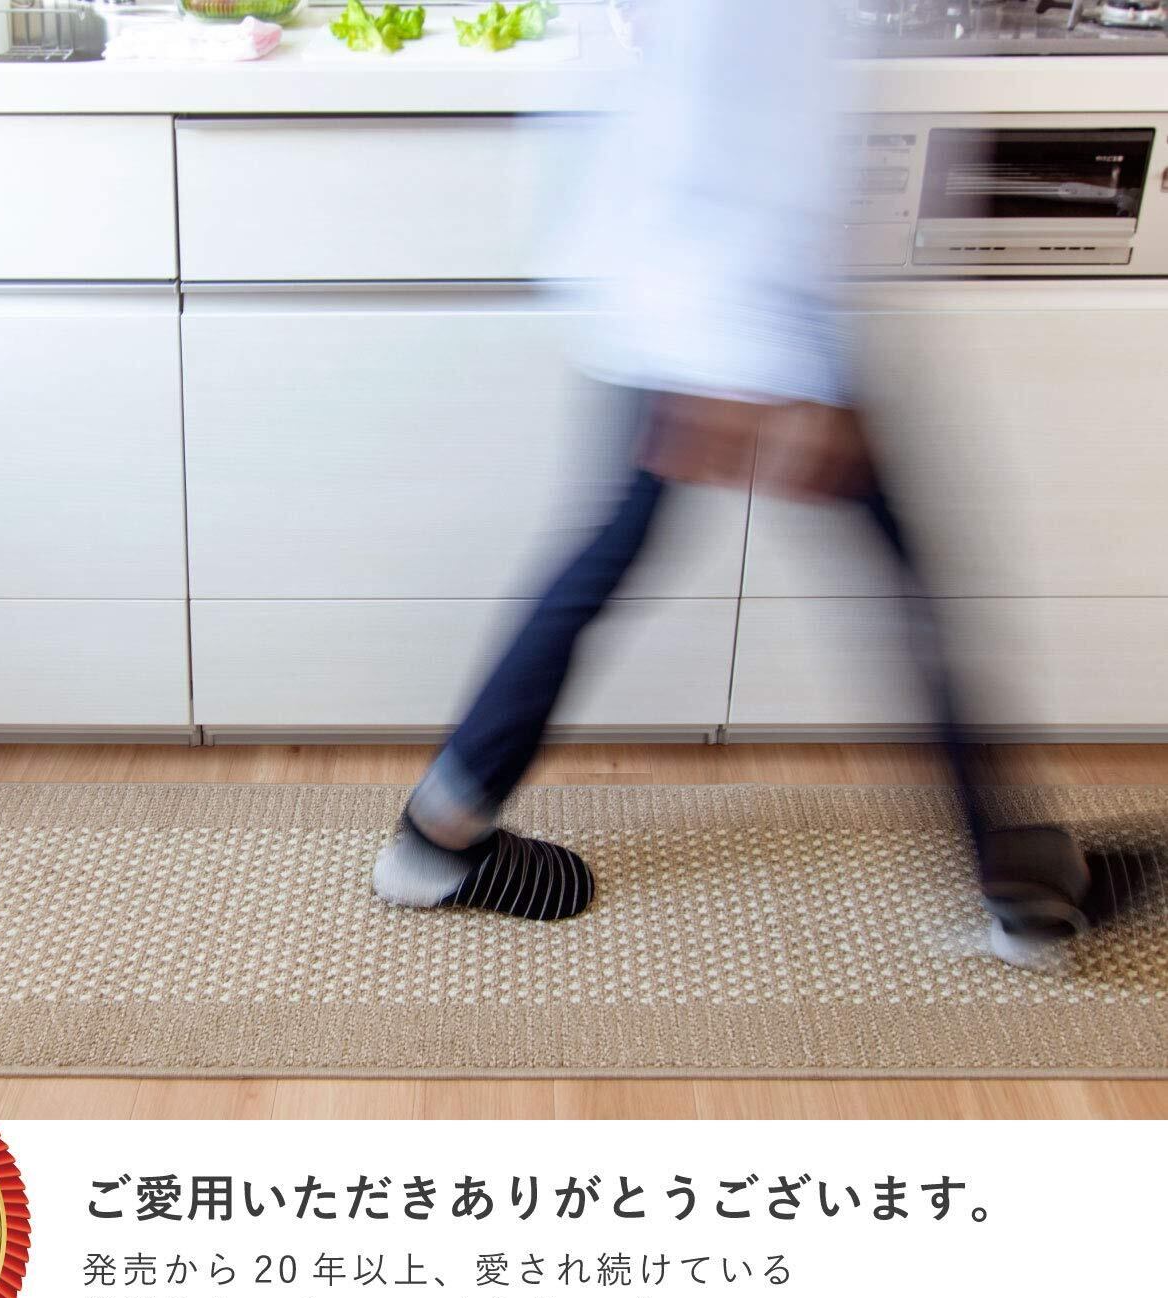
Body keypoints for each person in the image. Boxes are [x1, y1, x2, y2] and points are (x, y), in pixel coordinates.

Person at [372, 0, 1094, 963]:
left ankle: (442, 829)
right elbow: (741, 108)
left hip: (687, 293)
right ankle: (1015, 883)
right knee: (909, 581)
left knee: (620, 553)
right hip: (731, 311)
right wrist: (757, 367)